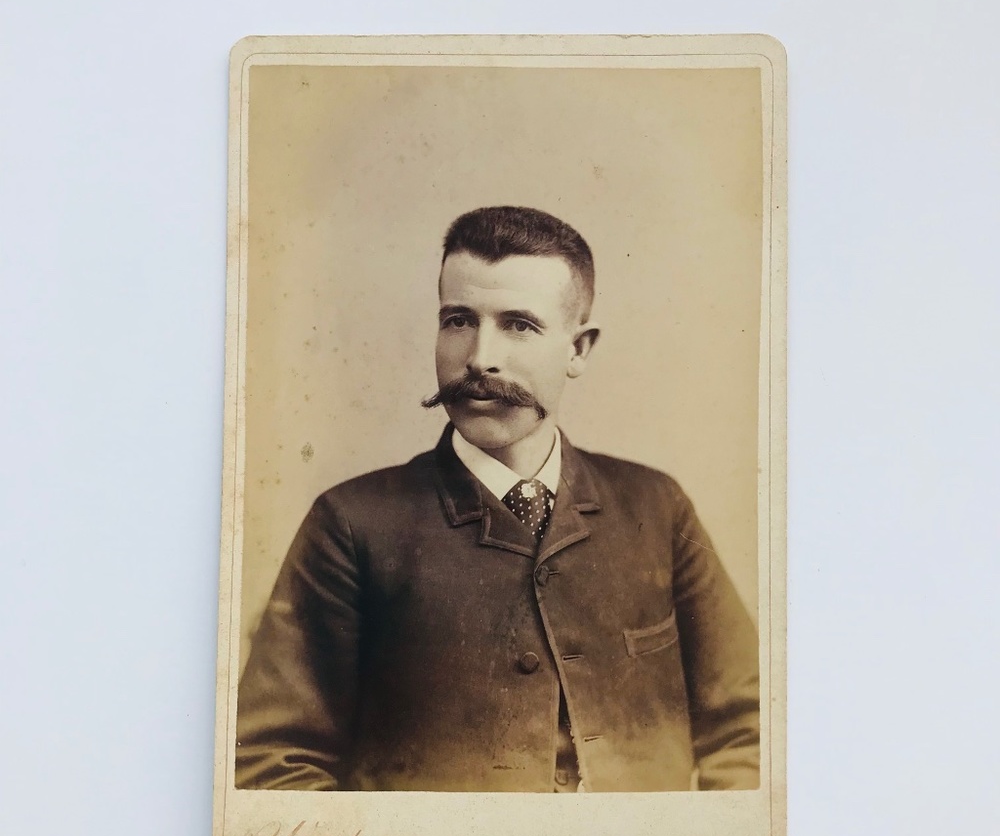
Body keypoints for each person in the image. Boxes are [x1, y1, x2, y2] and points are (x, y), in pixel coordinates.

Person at [236, 205, 759, 793]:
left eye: (519, 325)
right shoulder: (351, 524)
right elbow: (274, 764)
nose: (481, 356)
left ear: (578, 349)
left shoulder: (656, 508)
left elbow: (747, 731)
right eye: (459, 320)